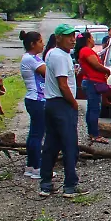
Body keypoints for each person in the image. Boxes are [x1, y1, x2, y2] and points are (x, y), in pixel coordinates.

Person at [41, 24, 81, 198]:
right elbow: (63, 85)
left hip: (51, 103)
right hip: (61, 104)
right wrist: (73, 103)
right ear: (58, 38)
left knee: (51, 144)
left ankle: (46, 184)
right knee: (69, 145)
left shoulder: (53, 53)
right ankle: (70, 185)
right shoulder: (60, 56)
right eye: (68, 36)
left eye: (73, 36)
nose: (72, 39)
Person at [19, 30, 47, 179]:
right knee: (37, 134)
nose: (43, 44)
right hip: (37, 99)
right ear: (32, 44)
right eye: (40, 41)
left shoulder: (31, 58)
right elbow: (47, 72)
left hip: (34, 99)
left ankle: (30, 165)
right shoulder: (31, 59)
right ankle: (37, 167)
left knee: (34, 134)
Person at [75, 31, 111, 145]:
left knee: (92, 108)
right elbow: (95, 64)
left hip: (91, 81)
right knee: (95, 109)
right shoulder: (86, 50)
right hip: (93, 82)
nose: (94, 39)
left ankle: (92, 132)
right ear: (88, 39)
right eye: (92, 37)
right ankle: (95, 134)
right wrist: (106, 70)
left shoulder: (85, 50)